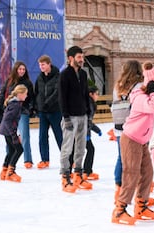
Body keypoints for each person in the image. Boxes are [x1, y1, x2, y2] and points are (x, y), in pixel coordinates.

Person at [111, 62, 154, 225]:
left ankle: (141, 206)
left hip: (141, 140)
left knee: (147, 172)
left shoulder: (146, 94)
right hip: (131, 138)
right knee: (131, 174)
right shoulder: (139, 96)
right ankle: (119, 210)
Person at [58, 46, 92, 193]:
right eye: (79, 57)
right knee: (67, 147)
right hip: (70, 116)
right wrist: (66, 117)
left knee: (81, 147)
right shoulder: (64, 75)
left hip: (83, 115)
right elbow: (61, 98)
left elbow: (86, 95)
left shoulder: (83, 74)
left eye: (82, 57)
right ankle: (65, 176)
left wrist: (89, 114)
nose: (81, 59)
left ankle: (78, 174)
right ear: (71, 58)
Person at [111, 60, 144, 202]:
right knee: (138, 158)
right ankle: (138, 187)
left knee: (121, 156)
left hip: (119, 126)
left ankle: (118, 187)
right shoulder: (139, 86)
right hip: (134, 126)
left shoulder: (117, 86)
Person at [0, 61, 35, 169]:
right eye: (20, 69)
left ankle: (27, 159)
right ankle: (10, 161)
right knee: (10, 136)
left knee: (24, 136)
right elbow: (3, 94)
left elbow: (32, 97)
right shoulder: (10, 81)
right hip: (11, 111)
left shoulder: (28, 82)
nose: (22, 71)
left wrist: (30, 108)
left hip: (23, 111)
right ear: (16, 70)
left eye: (23, 69)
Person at [34, 55, 63, 169]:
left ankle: (68, 159)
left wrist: (47, 103)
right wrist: (37, 106)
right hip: (43, 112)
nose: (41, 67)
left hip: (55, 111)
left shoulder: (57, 77)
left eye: (43, 64)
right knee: (42, 136)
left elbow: (57, 93)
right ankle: (44, 159)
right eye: (40, 65)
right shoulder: (39, 78)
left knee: (59, 136)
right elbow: (37, 93)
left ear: (49, 64)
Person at [0, 84, 27, 182]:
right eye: (25, 94)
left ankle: (4, 170)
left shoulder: (16, 103)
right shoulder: (15, 105)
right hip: (8, 131)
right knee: (19, 149)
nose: (26, 96)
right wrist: (14, 135)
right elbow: (7, 120)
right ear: (19, 94)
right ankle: (10, 172)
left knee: (11, 150)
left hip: (7, 130)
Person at [83, 85, 102, 180]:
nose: (98, 96)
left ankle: (86, 171)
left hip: (81, 131)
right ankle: (86, 171)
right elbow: (85, 121)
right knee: (90, 149)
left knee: (88, 150)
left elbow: (89, 122)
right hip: (81, 132)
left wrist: (96, 129)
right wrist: (86, 134)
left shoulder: (90, 103)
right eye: (96, 94)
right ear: (91, 94)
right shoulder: (89, 104)